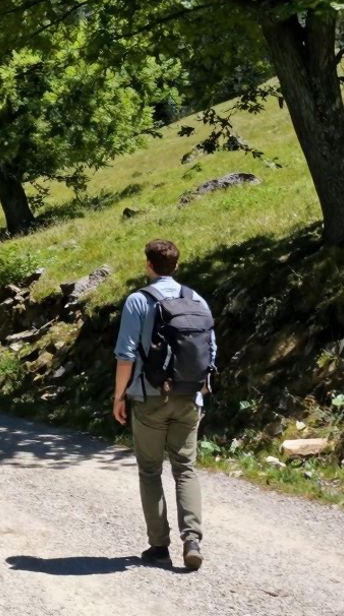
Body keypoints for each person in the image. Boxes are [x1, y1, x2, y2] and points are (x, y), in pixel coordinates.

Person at [112, 239, 215, 571]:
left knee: (150, 470)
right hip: (190, 397)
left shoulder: (138, 301)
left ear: (148, 265)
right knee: (185, 469)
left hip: (150, 397)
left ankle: (159, 547)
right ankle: (193, 540)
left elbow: (126, 355)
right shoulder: (196, 299)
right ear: (177, 265)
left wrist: (119, 396)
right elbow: (211, 348)